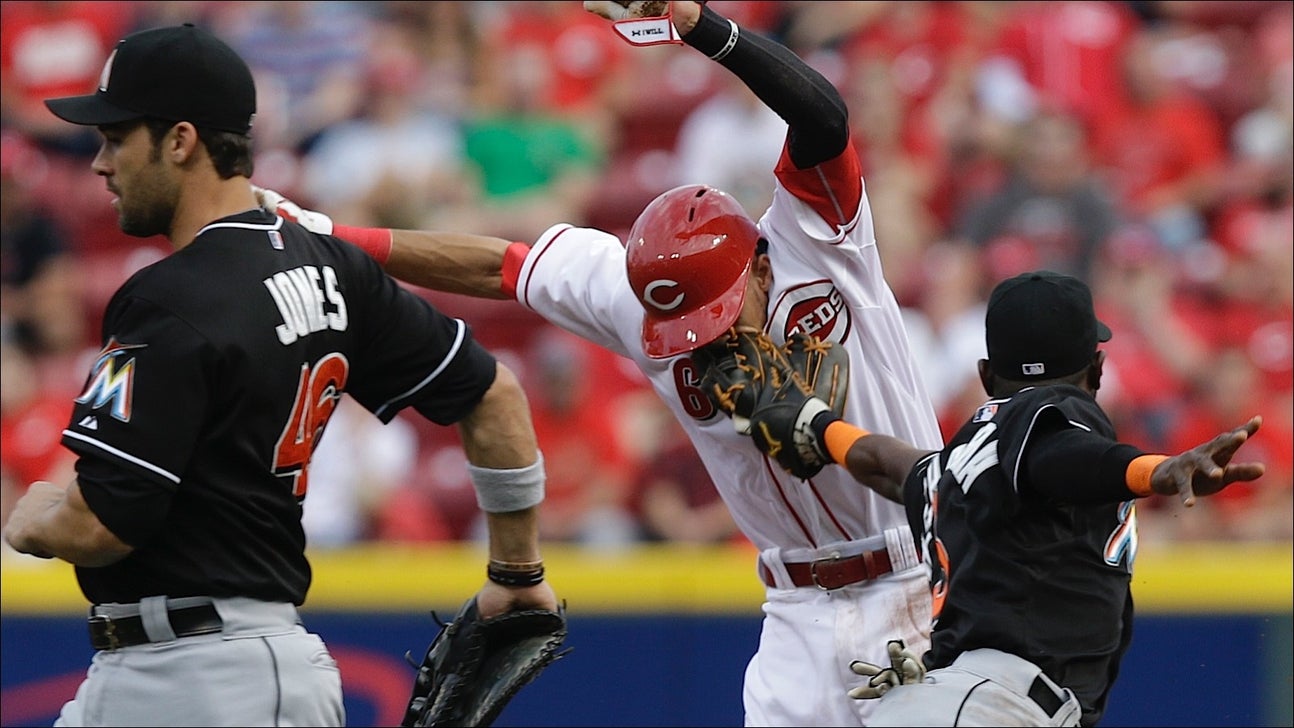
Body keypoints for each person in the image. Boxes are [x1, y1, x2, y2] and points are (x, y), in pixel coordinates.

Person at [262, 2, 943, 724]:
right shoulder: (631, 295)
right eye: (683, 326)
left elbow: (823, 116)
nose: (703, 338)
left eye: (714, 314)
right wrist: (334, 237)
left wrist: (700, 26)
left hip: (911, 571)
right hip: (794, 609)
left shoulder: (819, 238)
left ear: (760, 267)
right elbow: (500, 265)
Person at [0, 23, 558, 728]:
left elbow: (99, 525)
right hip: (227, 662)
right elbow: (494, 395)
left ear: (181, 141)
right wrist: (516, 573)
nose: (99, 164)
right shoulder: (333, 266)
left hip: (193, 678)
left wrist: (35, 520)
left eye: (116, 138)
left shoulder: (170, 297)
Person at [753, 270, 1266, 726]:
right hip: (994, 705)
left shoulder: (965, 459)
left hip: (961, 699)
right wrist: (1156, 470)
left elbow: (891, 466)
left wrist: (820, 426)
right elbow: (1063, 457)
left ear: (985, 375)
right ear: (1097, 369)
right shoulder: (1058, 415)